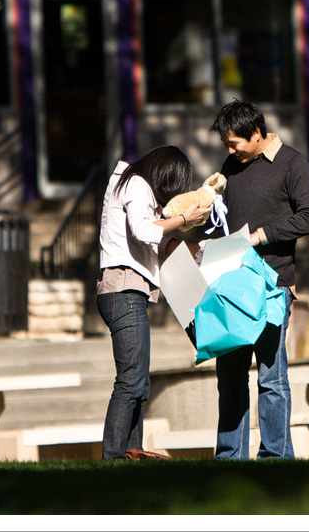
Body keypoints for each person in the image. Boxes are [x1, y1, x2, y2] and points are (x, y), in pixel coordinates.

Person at [208, 99, 309, 459]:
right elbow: (223, 219)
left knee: (271, 379)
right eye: (227, 145)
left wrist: (262, 235)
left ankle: (275, 457)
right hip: (230, 285)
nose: (230, 151)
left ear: (256, 134)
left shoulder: (291, 163)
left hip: (272, 286)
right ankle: (229, 458)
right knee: (230, 378)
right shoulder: (232, 164)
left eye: (235, 143)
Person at [98, 146, 211, 460]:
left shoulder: (133, 186)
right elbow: (144, 230)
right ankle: (114, 457)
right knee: (131, 380)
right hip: (123, 290)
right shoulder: (135, 184)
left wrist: (201, 252)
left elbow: (159, 241)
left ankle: (131, 453)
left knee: (138, 384)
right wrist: (184, 218)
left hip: (128, 292)